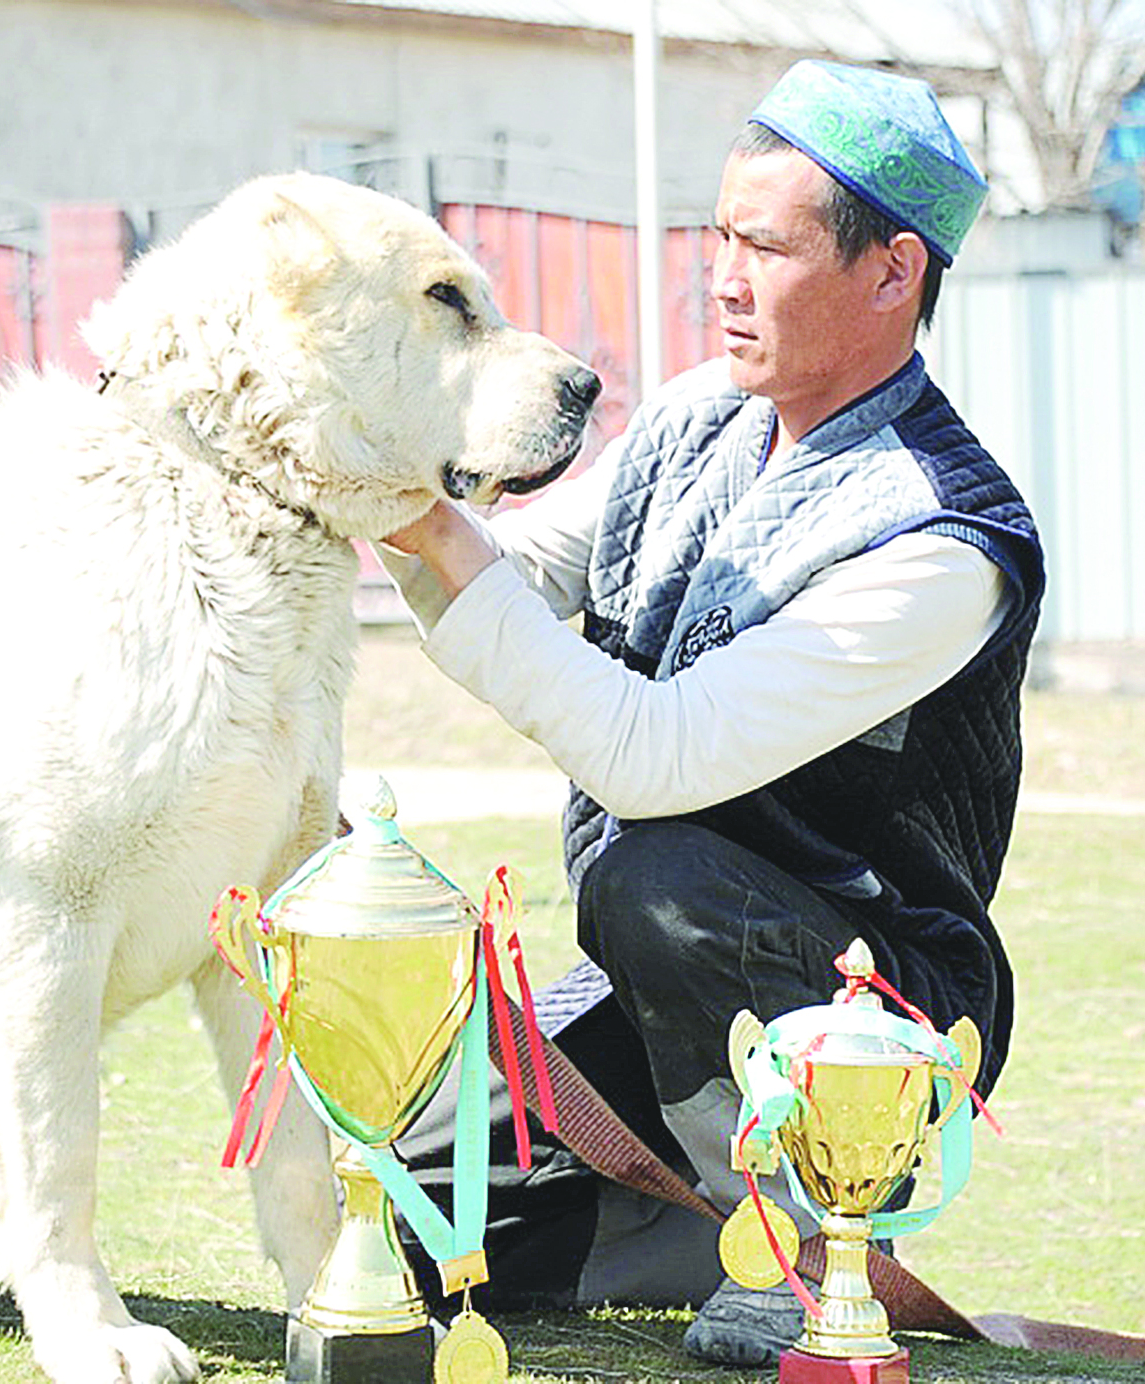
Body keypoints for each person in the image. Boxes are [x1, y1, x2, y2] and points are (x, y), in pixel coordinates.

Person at [377, 58, 1045, 1366]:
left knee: (654, 866)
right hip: (668, 961)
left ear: (892, 272)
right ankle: (733, 1210)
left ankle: (813, 1227)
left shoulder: (942, 535)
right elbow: (505, 568)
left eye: (765, 247)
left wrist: (426, 537)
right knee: (433, 1218)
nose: (720, 279)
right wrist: (370, 478)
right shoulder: (696, 416)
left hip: (869, 1003)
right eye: (716, 237)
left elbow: (654, 756)